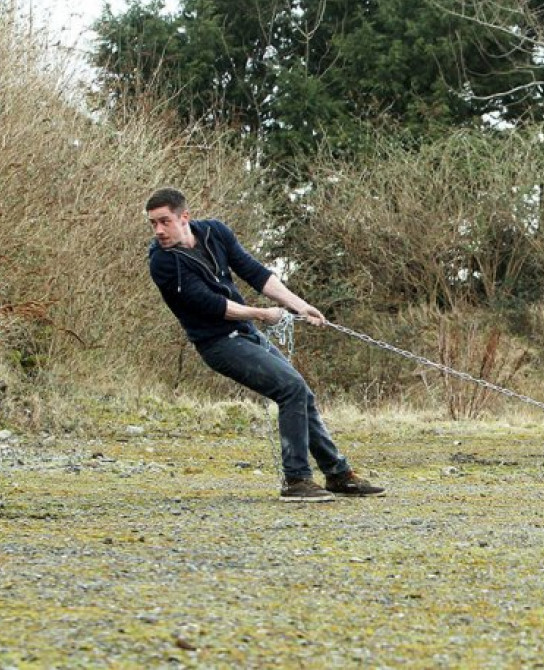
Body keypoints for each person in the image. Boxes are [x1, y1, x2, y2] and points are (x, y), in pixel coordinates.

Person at [145, 187, 383, 503]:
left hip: (244, 333)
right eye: (153, 224)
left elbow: (256, 274)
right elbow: (212, 305)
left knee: (301, 393)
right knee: (291, 389)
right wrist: (262, 314)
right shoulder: (162, 263)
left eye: (165, 221)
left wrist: (300, 305)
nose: (159, 231)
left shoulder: (214, 232)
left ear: (184, 217)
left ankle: (338, 475)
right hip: (218, 344)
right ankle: (296, 480)